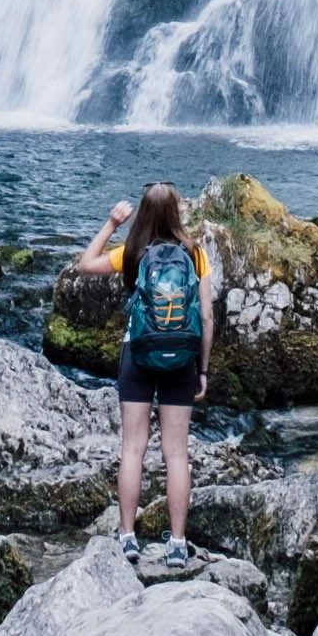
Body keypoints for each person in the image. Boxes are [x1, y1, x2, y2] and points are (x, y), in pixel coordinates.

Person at [75, 180, 215, 575]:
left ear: (143, 212)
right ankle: (177, 543)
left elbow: (85, 264)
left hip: (137, 355)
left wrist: (111, 223)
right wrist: (202, 369)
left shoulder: (133, 253)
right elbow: (206, 317)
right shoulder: (196, 254)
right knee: (176, 455)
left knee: (133, 448)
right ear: (177, 213)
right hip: (182, 358)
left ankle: (127, 536)